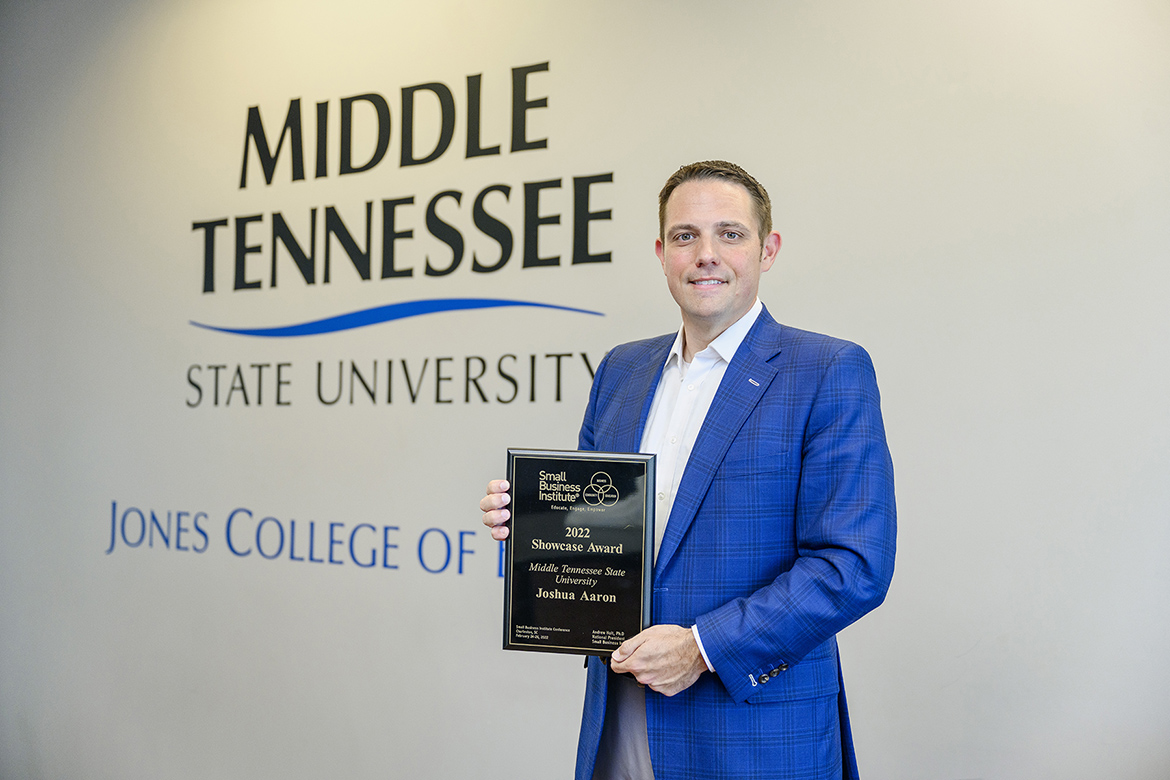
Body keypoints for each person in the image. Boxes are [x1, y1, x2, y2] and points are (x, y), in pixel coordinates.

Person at [481, 160, 896, 780]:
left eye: (730, 234)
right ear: (661, 251)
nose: (706, 254)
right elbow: (598, 541)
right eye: (685, 236)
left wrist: (703, 649)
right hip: (619, 719)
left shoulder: (827, 371)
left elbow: (852, 566)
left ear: (768, 249)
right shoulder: (622, 371)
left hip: (751, 733)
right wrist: (533, 528)